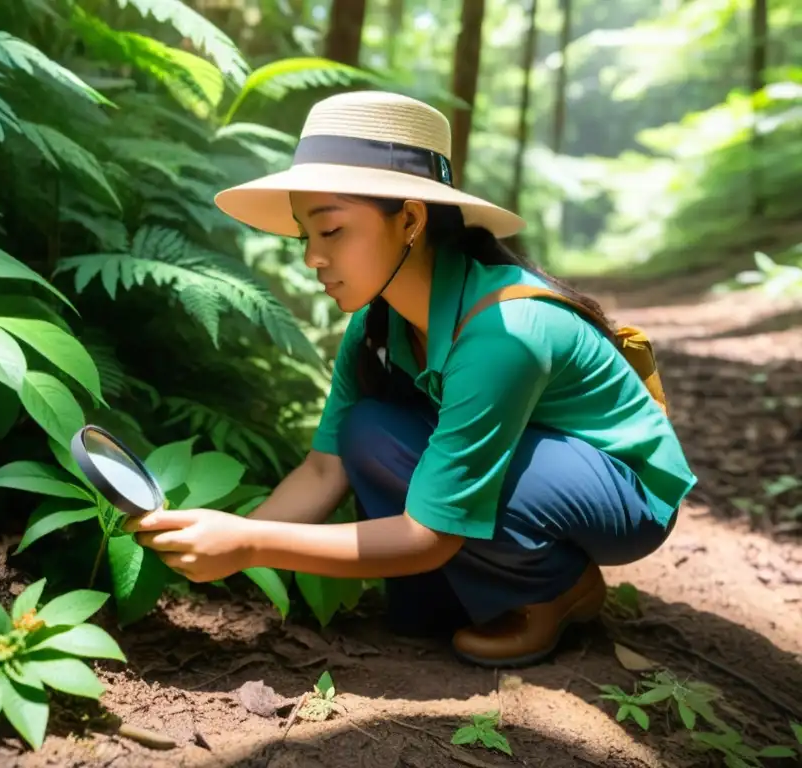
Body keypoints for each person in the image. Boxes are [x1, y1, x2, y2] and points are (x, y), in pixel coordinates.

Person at [125, 91, 697, 667]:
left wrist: (248, 545)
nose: (312, 259)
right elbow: (326, 468)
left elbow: (428, 536)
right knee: (368, 430)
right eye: (305, 236)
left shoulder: (505, 332)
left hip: (620, 487)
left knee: (433, 500)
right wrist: (222, 542)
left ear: (411, 220)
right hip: (527, 451)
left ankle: (555, 589)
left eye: (332, 231)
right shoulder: (377, 323)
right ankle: (470, 591)